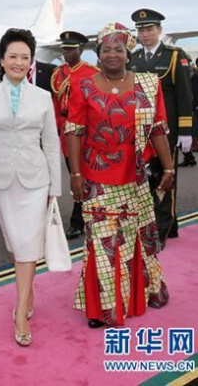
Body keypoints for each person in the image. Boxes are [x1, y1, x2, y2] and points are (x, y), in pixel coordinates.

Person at [66, 22, 172, 328]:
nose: (112, 54)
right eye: (106, 50)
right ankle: (104, 309)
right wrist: (74, 173)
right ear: (98, 54)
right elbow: (74, 131)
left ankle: (139, 294)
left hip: (135, 179)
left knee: (132, 240)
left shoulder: (148, 84)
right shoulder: (83, 85)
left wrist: (167, 168)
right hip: (96, 180)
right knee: (101, 244)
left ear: (129, 53)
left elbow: (158, 129)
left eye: (119, 49)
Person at [0, 28, 61, 347]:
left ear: (32, 62)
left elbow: (51, 142)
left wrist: (56, 186)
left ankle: (20, 311)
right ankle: (29, 289)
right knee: (14, 243)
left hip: (36, 180)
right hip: (0, 180)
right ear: (2, 60)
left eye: (25, 57)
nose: (19, 62)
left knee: (27, 242)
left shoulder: (43, 97)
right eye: (13, 56)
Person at [129, 8, 193, 242]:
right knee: (147, 179)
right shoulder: (134, 59)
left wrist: (186, 130)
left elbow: (185, 96)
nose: (145, 34)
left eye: (149, 29)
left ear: (160, 30)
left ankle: (162, 229)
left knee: (166, 177)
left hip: (167, 130)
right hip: (141, 130)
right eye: (141, 30)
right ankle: (167, 225)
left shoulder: (174, 55)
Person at [51, 31, 100, 240]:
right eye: (64, 48)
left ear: (80, 50)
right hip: (65, 137)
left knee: (89, 176)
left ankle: (79, 221)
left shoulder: (92, 73)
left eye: (71, 49)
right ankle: (83, 217)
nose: (66, 52)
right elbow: (55, 106)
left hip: (87, 135)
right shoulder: (58, 74)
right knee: (76, 176)